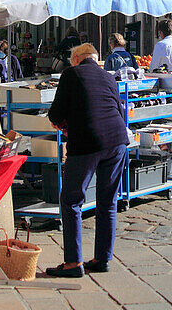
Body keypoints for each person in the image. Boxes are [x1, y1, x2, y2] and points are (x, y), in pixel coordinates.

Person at [45, 43, 130, 277]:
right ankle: (102, 258)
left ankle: (73, 263)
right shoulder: (108, 77)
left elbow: (55, 114)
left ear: (76, 59)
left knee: (71, 200)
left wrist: (61, 122)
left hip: (88, 141)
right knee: (108, 202)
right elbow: (118, 112)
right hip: (117, 141)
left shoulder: (71, 74)